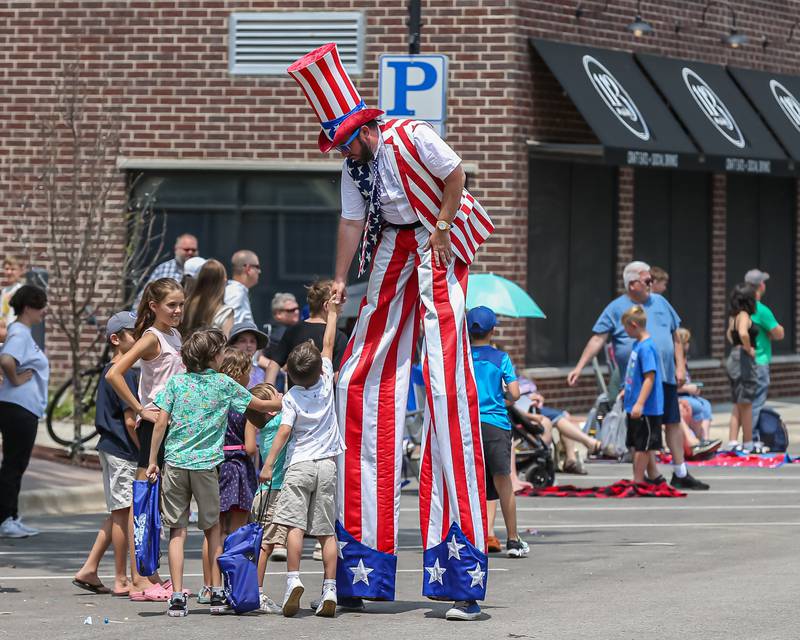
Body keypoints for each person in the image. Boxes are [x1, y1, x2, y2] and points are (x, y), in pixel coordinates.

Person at [288, 43, 493, 621]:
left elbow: (455, 175)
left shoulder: (412, 134)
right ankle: (360, 568)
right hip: (395, 247)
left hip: (438, 235)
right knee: (356, 382)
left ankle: (462, 578)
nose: (344, 152)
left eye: (345, 141)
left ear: (364, 129)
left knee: (448, 392)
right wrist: (335, 283)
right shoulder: (354, 166)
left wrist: (447, 224)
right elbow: (354, 222)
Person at [146, 328, 281, 617]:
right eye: (220, 351)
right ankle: (217, 591)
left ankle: (178, 595)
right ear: (212, 356)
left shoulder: (177, 383)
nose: (223, 355)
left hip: (175, 463)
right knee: (213, 530)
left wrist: (152, 460)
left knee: (177, 531)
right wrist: (283, 402)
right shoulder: (223, 384)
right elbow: (258, 405)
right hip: (207, 466)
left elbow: (160, 423)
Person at [567, 260, 708, 490]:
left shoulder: (661, 302)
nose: (652, 284)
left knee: (671, 422)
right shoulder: (616, 308)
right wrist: (579, 366)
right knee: (645, 430)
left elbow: (675, 337)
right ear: (632, 284)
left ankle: (680, 472)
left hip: (666, 376)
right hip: (639, 382)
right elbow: (597, 339)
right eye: (647, 280)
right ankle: (649, 476)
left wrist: (680, 366)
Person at [260, 293, 345, 618]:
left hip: (298, 466)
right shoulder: (325, 382)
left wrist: (269, 465)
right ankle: (329, 588)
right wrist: (332, 312)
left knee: (294, 525)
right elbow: (326, 344)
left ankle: (293, 580)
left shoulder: (292, 398)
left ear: (291, 374)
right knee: (325, 530)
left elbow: (283, 433)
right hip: (327, 465)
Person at [105, 278, 185, 601]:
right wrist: (141, 409)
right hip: (154, 424)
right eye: (172, 305)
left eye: (181, 304)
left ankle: (151, 573)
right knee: (144, 503)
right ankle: (138, 580)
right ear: (154, 307)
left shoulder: (174, 335)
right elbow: (115, 373)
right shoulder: (152, 338)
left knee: (157, 505)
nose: (178, 310)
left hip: (173, 424)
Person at [73, 311, 142, 596]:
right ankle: (121, 578)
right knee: (124, 514)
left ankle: (89, 567)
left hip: (112, 448)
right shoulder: (124, 373)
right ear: (116, 339)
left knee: (118, 511)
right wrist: (148, 453)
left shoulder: (113, 369)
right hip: (122, 449)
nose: (139, 339)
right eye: (133, 334)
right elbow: (130, 421)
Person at [197, 347, 262, 605]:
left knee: (213, 531)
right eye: (249, 371)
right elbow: (249, 447)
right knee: (237, 531)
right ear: (242, 373)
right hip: (239, 470)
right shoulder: (244, 405)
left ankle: (208, 586)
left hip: (215, 467)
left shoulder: (215, 402)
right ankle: (233, 586)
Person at [467, 306, 528, 559]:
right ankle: (512, 539)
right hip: (495, 423)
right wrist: (500, 399)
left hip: (468, 424)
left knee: (473, 484)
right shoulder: (500, 358)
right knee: (503, 482)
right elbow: (515, 393)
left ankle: (474, 538)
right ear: (493, 330)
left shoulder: (462, 357)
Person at [0, 285, 48, 538]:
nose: (44, 311)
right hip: (18, 408)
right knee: (13, 465)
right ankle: (6, 519)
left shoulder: (20, 332)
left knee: (15, 464)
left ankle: (11, 516)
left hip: (21, 408)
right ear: (28, 307)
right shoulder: (19, 333)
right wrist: (16, 381)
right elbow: (7, 360)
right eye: (40, 305)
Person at [265, 280, 348, 389]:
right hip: (323, 404)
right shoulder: (339, 337)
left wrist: (267, 394)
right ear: (327, 306)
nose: (341, 310)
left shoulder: (292, 331)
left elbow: (273, 365)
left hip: (294, 402)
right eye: (339, 305)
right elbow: (338, 378)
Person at [250, 382, 288, 614]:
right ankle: (257, 592)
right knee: (265, 545)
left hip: (268, 491)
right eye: (276, 394)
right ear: (270, 409)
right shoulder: (277, 424)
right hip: (271, 493)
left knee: (266, 543)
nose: (282, 394)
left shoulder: (268, 425)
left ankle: (255, 590)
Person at [620, 305, 664, 483]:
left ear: (633, 325)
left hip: (646, 407)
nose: (625, 331)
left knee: (643, 446)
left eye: (625, 327)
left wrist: (639, 403)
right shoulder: (637, 345)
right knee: (636, 443)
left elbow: (649, 377)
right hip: (634, 403)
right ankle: (652, 476)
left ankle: (637, 480)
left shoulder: (646, 348)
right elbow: (634, 374)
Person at [744, 269, 784, 433]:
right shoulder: (760, 309)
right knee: (757, 402)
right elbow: (779, 333)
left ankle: (747, 438)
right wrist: (771, 331)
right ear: (760, 286)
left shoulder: (741, 307)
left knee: (746, 403)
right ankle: (751, 438)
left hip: (745, 361)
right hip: (759, 362)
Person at [725, 284, 759, 453]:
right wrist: (748, 348)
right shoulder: (744, 315)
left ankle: (733, 440)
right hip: (743, 361)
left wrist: (738, 346)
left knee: (738, 403)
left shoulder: (734, 316)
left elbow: (729, 334)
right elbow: (744, 333)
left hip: (733, 358)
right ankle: (748, 443)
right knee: (746, 403)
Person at [181, 259, 234, 337]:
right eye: (225, 278)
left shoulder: (186, 305)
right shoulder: (225, 312)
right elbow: (226, 342)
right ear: (222, 281)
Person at [224, 249, 261, 325]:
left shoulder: (237, 291)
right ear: (248, 268)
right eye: (257, 267)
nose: (259, 271)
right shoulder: (236, 293)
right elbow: (229, 326)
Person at [228, 320, 269, 388]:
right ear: (233, 345)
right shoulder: (227, 370)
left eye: (252, 341)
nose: (249, 345)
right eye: (243, 341)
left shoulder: (261, 372)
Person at [0, 256, 25, 344]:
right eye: (6, 269)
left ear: (20, 271)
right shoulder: (4, 291)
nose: (9, 272)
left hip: (15, 336)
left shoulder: (22, 290)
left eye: (13, 269)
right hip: (3, 337)